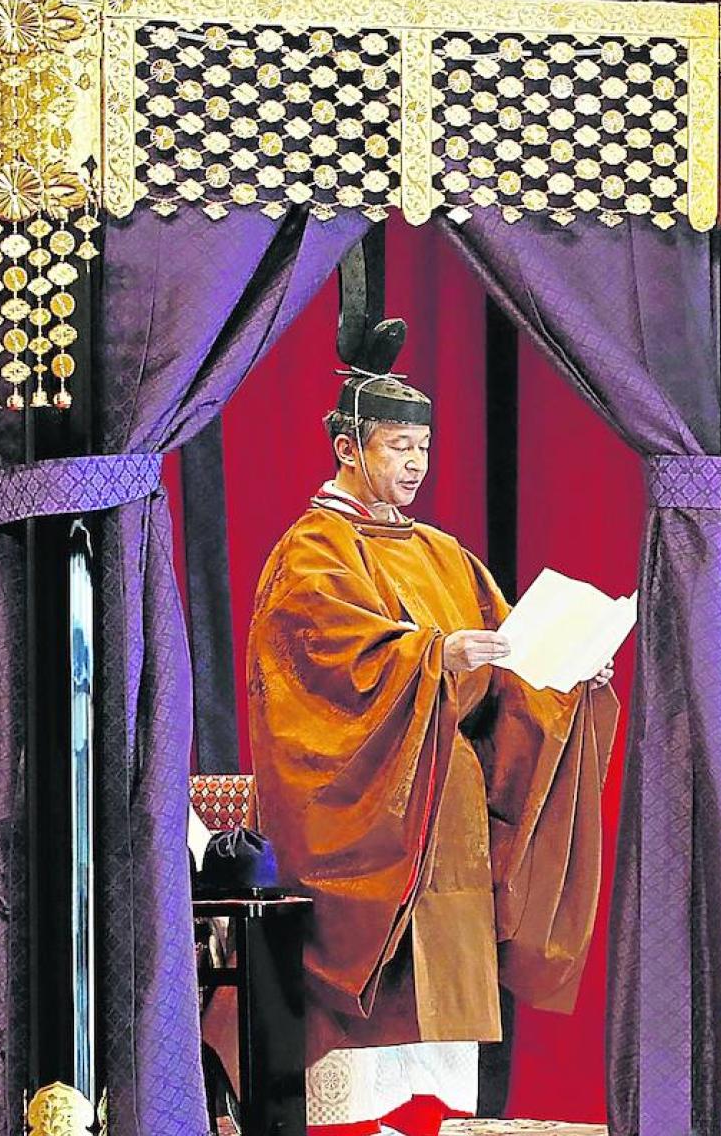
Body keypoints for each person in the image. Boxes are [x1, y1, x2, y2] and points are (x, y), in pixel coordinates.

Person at [246, 313, 619, 1136]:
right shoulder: (313, 552)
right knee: (364, 1068)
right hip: (373, 831)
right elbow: (321, 671)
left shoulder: (445, 554)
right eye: (397, 447)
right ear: (348, 448)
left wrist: (569, 676)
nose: (415, 464)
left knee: (439, 1056)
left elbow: (510, 667)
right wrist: (430, 657)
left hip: (452, 828)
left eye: (423, 448)